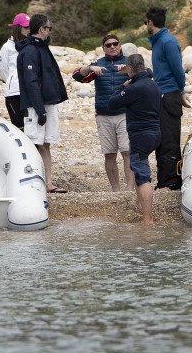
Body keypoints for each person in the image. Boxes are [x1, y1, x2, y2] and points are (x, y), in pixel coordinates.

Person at [72, 33, 135, 191]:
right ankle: (115, 190)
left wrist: (129, 70)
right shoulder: (98, 64)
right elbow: (77, 76)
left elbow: (146, 75)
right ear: (103, 48)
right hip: (103, 115)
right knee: (109, 154)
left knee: (127, 152)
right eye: (108, 45)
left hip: (125, 114)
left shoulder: (129, 63)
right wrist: (90, 68)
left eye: (115, 44)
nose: (112, 47)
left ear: (120, 45)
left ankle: (129, 189)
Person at [17, 13, 68, 193]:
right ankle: (33, 183)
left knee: (46, 144)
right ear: (41, 29)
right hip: (35, 106)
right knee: (34, 143)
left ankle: (48, 183)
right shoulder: (29, 50)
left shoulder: (42, 48)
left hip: (47, 102)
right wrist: (40, 110)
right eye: (49, 28)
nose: (49, 31)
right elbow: (31, 82)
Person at [108, 53, 161, 224]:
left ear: (130, 69)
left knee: (143, 174)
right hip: (156, 134)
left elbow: (112, 102)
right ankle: (140, 205)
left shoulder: (134, 88)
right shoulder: (154, 85)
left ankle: (148, 219)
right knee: (138, 169)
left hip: (141, 135)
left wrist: (122, 87)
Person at [145, 6, 189, 190]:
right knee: (161, 139)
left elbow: (178, 70)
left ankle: (172, 181)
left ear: (150, 23)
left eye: (145, 22)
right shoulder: (158, 41)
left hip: (169, 95)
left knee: (169, 139)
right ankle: (163, 180)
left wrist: (181, 90)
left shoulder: (168, 42)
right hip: (161, 95)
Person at [0, 13, 30, 128]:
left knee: (31, 129)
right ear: (17, 27)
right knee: (19, 127)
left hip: (30, 91)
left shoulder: (29, 45)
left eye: (30, 27)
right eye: (26, 27)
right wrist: (14, 80)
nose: (28, 30)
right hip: (14, 93)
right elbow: (3, 70)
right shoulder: (7, 47)